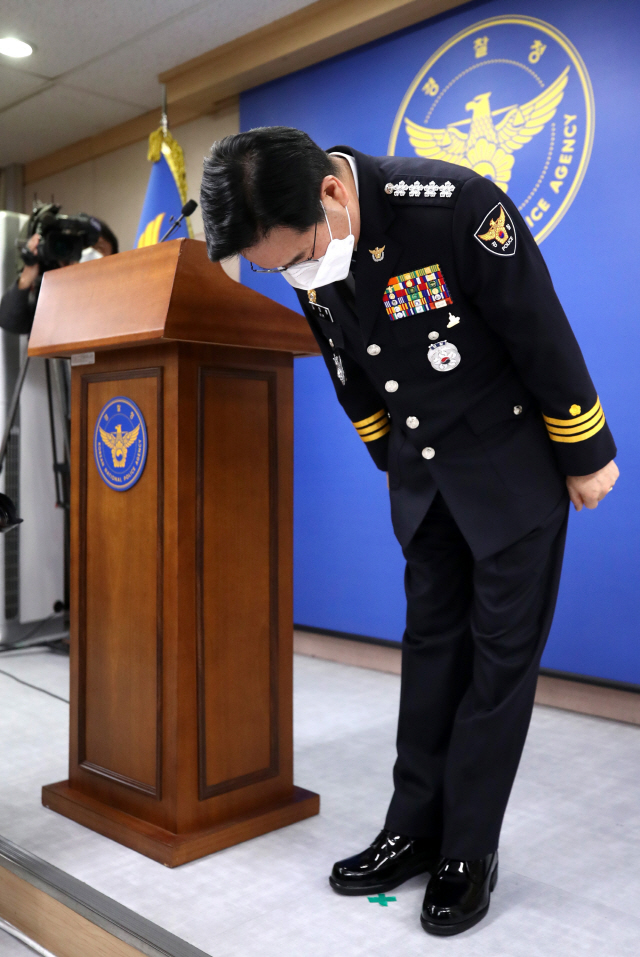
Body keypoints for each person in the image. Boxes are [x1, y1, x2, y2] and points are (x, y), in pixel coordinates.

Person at [198, 127, 619, 936]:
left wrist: (584, 446)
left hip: (509, 474)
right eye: (277, 267)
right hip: (427, 485)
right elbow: (346, 362)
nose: (296, 274)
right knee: (429, 653)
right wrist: (390, 457)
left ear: (332, 193)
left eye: (295, 257)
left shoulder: (454, 208)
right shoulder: (300, 240)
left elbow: (538, 326)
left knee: (498, 667)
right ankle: (410, 828)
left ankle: (468, 850)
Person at [0, 219, 118, 336]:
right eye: (81, 248)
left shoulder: (118, 295)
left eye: (98, 248)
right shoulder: (50, 292)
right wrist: (26, 277)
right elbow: (10, 322)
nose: (87, 253)